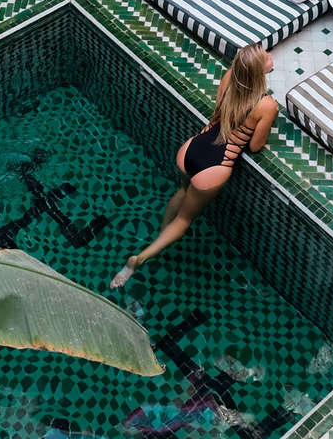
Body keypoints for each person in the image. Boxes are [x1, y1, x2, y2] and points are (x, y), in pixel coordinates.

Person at [110, 43, 278, 287]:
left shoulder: (231, 77)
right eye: (266, 57)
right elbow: (254, 146)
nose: (271, 55)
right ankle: (139, 259)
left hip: (192, 148)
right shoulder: (267, 105)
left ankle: (160, 235)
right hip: (215, 167)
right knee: (185, 219)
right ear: (256, 71)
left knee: (182, 191)